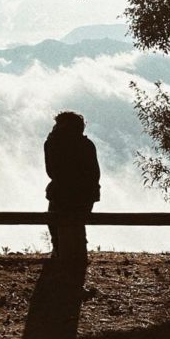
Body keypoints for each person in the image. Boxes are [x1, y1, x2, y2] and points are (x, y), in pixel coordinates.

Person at [44, 110, 101, 259]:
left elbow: (52, 172)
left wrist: (50, 142)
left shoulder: (55, 144)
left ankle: (59, 252)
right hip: (86, 197)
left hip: (64, 196)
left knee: (55, 219)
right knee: (76, 224)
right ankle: (75, 253)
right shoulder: (87, 145)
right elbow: (94, 175)